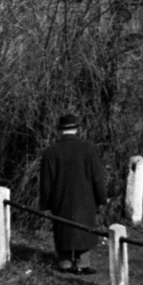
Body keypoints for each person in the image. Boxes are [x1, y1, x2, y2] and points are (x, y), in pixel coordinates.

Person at [38, 112, 109, 274]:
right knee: (84, 228)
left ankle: (64, 263)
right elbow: (97, 177)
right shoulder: (88, 148)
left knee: (62, 229)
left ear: (60, 131)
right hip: (85, 199)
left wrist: (46, 204)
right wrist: (101, 199)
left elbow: (46, 183)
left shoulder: (50, 151)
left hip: (60, 199)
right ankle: (82, 264)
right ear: (77, 129)